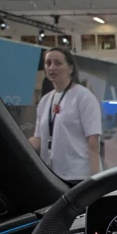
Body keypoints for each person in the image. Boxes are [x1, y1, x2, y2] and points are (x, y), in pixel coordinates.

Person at [30, 48, 102, 181]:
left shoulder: (84, 97)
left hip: (78, 175)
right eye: (48, 63)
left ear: (70, 68)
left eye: (58, 63)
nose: (52, 67)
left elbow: (93, 142)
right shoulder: (45, 101)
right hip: (51, 175)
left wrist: (95, 180)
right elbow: (38, 138)